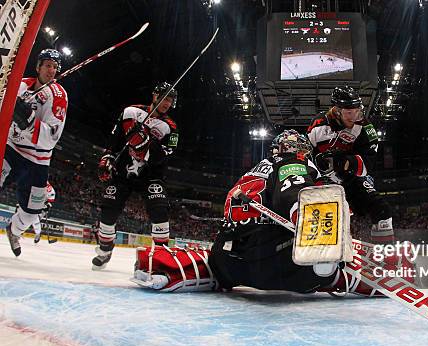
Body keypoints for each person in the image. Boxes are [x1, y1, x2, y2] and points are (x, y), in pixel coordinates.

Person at [132, 130, 380, 296]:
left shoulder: (255, 171)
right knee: (332, 265)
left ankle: (168, 268)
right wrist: (321, 244)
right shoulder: (293, 162)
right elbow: (293, 196)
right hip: (276, 263)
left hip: (228, 262)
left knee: (217, 263)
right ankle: (361, 279)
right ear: (299, 149)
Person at [92, 81, 179, 270]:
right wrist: (107, 157)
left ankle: (160, 258)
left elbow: (163, 156)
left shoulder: (171, 128)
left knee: (160, 209)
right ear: (154, 96)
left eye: (170, 100)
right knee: (109, 207)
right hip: (123, 172)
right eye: (164, 98)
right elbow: (114, 140)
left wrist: (144, 143)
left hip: (151, 175)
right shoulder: (130, 112)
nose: (166, 103)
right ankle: (105, 250)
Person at [307, 86, 395, 245]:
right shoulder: (317, 125)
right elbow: (307, 157)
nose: (354, 117)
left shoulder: (365, 127)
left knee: (382, 209)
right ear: (337, 110)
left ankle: (385, 253)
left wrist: (346, 162)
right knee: (326, 213)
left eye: (357, 111)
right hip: (323, 179)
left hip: (352, 177)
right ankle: (323, 249)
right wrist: (318, 161)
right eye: (349, 112)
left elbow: (370, 162)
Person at [2, 49, 67, 256]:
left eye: (55, 67)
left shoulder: (58, 96)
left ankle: (14, 229)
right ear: (38, 67)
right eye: (47, 65)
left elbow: (51, 139)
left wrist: (29, 119)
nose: (51, 70)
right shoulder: (20, 85)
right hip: (11, 148)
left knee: (31, 213)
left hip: (37, 160)